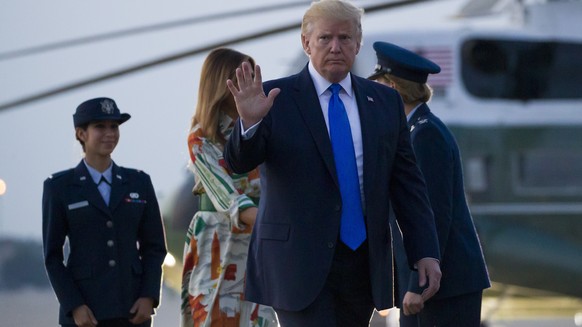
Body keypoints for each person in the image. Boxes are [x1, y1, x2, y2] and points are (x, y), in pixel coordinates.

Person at [224, 1, 442, 326]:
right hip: (296, 264)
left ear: (358, 43)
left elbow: (408, 184)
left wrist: (425, 250)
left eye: (345, 38)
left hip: (362, 264)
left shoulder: (384, 101)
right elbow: (240, 162)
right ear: (306, 43)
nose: (335, 48)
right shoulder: (273, 98)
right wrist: (250, 125)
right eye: (325, 38)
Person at [368, 41, 491, 326]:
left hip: (442, 287)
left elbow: (431, 213)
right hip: (433, 284)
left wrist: (417, 284)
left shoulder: (424, 136)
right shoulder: (413, 131)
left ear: (393, 89)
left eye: (379, 86)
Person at [42, 97, 168, 327]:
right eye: (100, 126)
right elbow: (52, 257)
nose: (109, 133)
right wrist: (74, 306)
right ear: (81, 134)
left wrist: (149, 296)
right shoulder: (60, 188)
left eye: (114, 126)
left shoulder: (138, 183)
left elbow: (155, 247)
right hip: (86, 314)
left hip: (132, 311)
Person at [180, 48, 278, 327]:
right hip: (219, 245)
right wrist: (282, 225)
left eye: (252, 75)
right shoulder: (200, 138)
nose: (251, 83)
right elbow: (228, 198)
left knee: (263, 319)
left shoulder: (264, 127)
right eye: (242, 76)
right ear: (221, 84)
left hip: (260, 244)